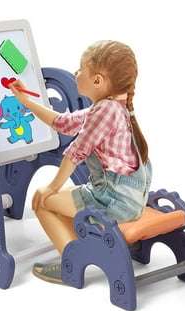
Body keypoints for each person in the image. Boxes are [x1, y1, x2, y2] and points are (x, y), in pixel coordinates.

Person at [11, 40, 152, 283]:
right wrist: (25, 101)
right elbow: (62, 123)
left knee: (42, 202)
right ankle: (86, 251)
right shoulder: (112, 107)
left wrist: (50, 187)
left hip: (115, 202)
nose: (75, 73)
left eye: (80, 69)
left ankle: (72, 265)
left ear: (97, 80)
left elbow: (75, 152)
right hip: (128, 199)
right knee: (64, 195)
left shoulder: (105, 111)